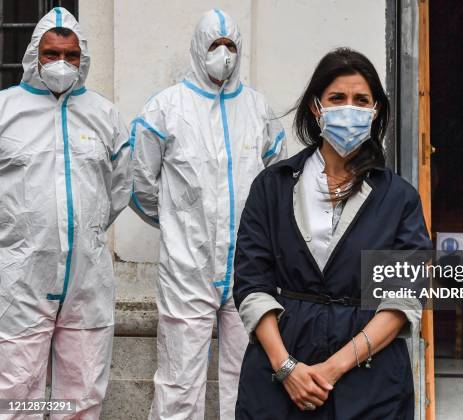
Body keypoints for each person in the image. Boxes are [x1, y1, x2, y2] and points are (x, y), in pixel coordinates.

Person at [233, 48, 432, 419]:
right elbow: (251, 284)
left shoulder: (398, 198)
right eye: (337, 98)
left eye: (361, 100)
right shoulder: (273, 187)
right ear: (316, 107)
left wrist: (332, 369)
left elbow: (402, 300)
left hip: (369, 381)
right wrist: (287, 368)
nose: (349, 109)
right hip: (281, 374)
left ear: (375, 113)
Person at [130, 9, 287, 420]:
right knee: (179, 380)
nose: (224, 55)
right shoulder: (165, 109)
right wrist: (176, 222)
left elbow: (275, 184)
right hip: (187, 268)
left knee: (247, 377)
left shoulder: (258, 110)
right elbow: (140, 183)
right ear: (199, 48)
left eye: (231, 46)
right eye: (215, 46)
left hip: (250, 268)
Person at [0, 7, 132, 419]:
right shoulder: (6, 110)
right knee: (17, 392)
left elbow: (119, 189)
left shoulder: (105, 115)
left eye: (71, 55)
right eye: (52, 53)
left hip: (87, 279)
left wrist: (85, 232)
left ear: (83, 58)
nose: (61, 63)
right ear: (34, 56)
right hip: (20, 278)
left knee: (83, 394)